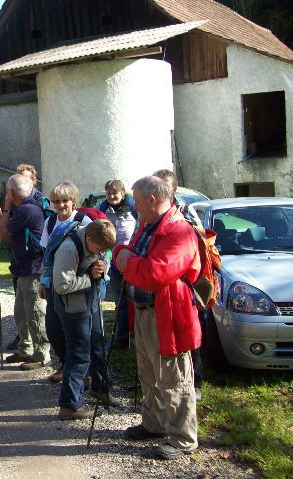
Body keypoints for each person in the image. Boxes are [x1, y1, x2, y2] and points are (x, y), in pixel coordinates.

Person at [113, 176, 200, 460]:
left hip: (168, 315)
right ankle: (155, 424)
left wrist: (125, 260)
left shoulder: (179, 231)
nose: (134, 207)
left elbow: (155, 274)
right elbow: (127, 255)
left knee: (173, 377)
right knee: (149, 372)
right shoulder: (149, 226)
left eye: (137, 202)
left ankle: (183, 438)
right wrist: (124, 257)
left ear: (152, 199)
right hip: (144, 312)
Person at [52, 220, 117, 419]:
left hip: (91, 301)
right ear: (88, 239)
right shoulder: (68, 249)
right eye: (99, 248)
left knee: (98, 345)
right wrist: (90, 278)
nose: (102, 252)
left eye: (105, 249)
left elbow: (106, 257)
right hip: (72, 306)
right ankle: (69, 405)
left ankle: (100, 388)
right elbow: (61, 285)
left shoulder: (98, 242)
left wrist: (102, 266)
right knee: (79, 353)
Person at [0, 174, 50, 370]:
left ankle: (42, 355)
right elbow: (5, 227)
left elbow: (4, 234)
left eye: (8, 192)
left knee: (34, 312)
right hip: (24, 269)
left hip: (33, 269)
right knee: (21, 313)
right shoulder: (23, 208)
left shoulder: (27, 210)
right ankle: (25, 348)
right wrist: (3, 214)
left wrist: (5, 208)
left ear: (12, 192)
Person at [153, 169, 203, 401]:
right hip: (161, 295)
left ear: (173, 189)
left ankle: (195, 385)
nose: (159, 188)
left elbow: (197, 239)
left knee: (187, 340)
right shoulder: (152, 216)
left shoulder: (182, 216)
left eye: (164, 185)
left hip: (183, 287)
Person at [38, 181, 91, 383]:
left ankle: (82, 371)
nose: (61, 205)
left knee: (77, 329)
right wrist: (44, 280)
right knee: (53, 327)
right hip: (55, 282)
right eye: (56, 201)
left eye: (65, 200)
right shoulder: (50, 222)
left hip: (77, 282)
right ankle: (64, 363)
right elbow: (46, 255)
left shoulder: (84, 221)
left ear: (73, 201)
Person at [98, 179, 138, 349]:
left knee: (135, 299)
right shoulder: (102, 208)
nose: (112, 196)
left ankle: (136, 336)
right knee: (119, 300)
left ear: (122, 193)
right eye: (108, 194)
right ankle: (122, 338)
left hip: (132, 256)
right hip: (112, 257)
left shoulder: (133, 207)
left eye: (115, 193)